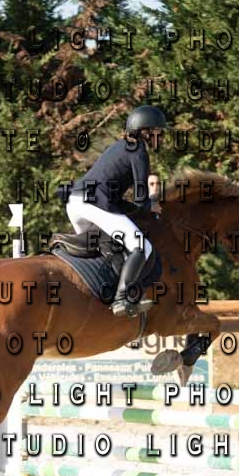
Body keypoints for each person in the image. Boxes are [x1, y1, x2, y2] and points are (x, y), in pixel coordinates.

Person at [63, 105, 168, 317]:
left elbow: (120, 200)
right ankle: (122, 298)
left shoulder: (121, 146)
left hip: (75, 203)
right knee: (141, 247)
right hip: (94, 203)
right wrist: (152, 206)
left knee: (106, 251)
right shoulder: (138, 150)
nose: (161, 137)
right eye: (158, 132)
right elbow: (141, 198)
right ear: (145, 131)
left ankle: (97, 298)